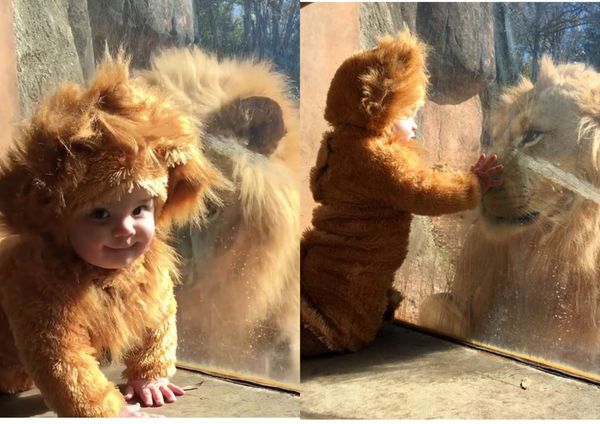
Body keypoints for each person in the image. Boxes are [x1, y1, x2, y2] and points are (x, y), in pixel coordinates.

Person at [0, 52, 222, 417]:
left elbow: (159, 313)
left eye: (140, 210)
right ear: (61, 218)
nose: (125, 229)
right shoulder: (38, 276)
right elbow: (56, 354)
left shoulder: (148, 263)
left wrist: (150, 372)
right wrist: (101, 410)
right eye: (100, 213)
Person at [300, 30, 503, 355]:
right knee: (338, 327)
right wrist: (473, 185)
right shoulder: (375, 157)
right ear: (379, 109)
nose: (415, 124)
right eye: (407, 115)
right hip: (351, 273)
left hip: (329, 262)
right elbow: (419, 191)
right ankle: (331, 334)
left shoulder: (339, 146)